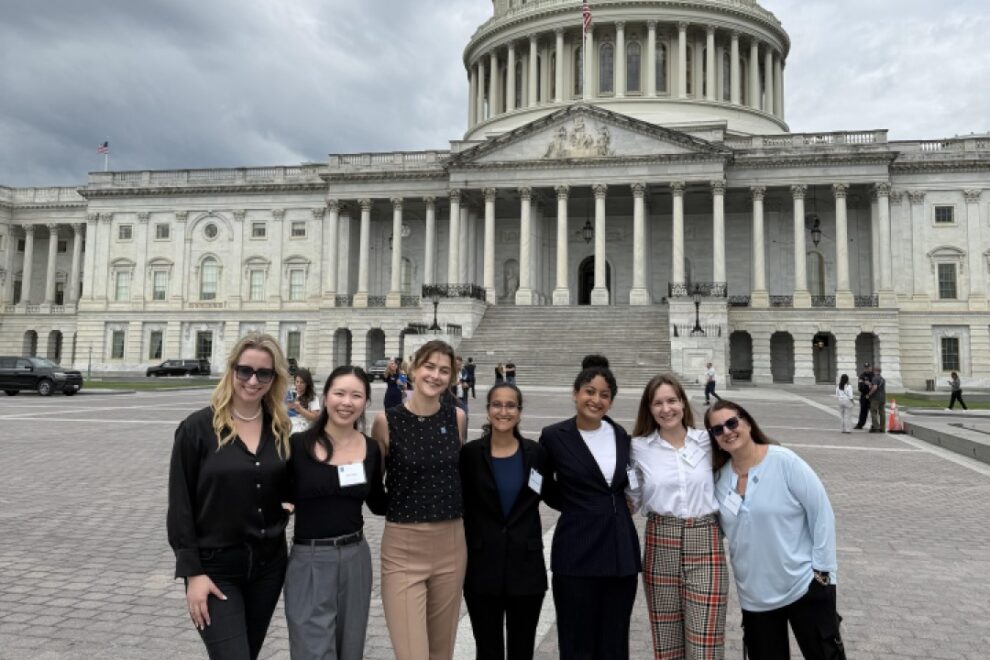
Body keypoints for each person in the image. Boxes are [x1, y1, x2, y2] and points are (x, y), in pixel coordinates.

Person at [167, 333, 293, 660]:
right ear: (232, 370)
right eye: (245, 370)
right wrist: (192, 573)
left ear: (274, 377)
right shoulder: (197, 428)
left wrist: (289, 504)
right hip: (215, 569)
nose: (253, 380)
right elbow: (181, 506)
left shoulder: (279, 428)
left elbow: (284, 481)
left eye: (263, 373)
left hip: (268, 567)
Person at [705, 401, 845, 660]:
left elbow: (822, 513)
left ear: (747, 422)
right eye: (717, 429)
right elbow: (718, 530)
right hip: (755, 596)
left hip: (803, 584)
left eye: (732, 423)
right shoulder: (720, 480)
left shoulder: (784, 461)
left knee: (825, 655)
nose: (726, 431)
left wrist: (823, 574)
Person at [539, 355, 641, 660]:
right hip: (576, 550)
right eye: (589, 391)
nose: (596, 400)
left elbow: (628, 483)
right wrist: (577, 506)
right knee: (576, 639)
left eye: (604, 395)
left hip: (619, 551)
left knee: (614, 639)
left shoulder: (621, 435)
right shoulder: (554, 436)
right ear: (575, 394)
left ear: (611, 401)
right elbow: (543, 486)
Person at [371, 340, 468, 660]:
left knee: (442, 653)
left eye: (444, 370)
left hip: (451, 544)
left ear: (452, 376)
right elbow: (375, 484)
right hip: (404, 547)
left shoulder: (456, 418)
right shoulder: (386, 421)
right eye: (429, 367)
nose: (435, 375)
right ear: (413, 368)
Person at [284, 366, 387, 660]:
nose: (346, 402)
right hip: (310, 560)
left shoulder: (371, 449)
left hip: (355, 558)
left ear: (365, 402)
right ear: (326, 396)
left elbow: (379, 503)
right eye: (339, 393)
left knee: (349, 649)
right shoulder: (296, 446)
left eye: (356, 395)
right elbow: (279, 496)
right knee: (311, 650)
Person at [627, 374, 727, 659]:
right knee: (667, 643)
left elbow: (745, 456)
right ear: (649, 409)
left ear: (683, 403)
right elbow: (630, 497)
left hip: (705, 539)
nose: (666, 408)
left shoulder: (707, 441)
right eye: (657, 403)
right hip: (661, 540)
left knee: (705, 644)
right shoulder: (638, 448)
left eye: (672, 400)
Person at [460, 383, 549, 660]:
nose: (503, 411)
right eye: (497, 404)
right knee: (487, 650)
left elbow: (557, 494)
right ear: (488, 411)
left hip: (527, 569)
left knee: (522, 650)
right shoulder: (470, 455)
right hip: (482, 566)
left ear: (519, 412)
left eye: (511, 405)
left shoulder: (537, 454)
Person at [287, 367, 321, 434]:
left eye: (302, 382)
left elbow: (315, 417)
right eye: (297, 381)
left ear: (307, 384)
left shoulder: (312, 397)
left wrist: (300, 409)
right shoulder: (291, 394)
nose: (299, 384)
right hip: (288, 425)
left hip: (301, 430)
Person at [853, 364, 872, 430]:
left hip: (872, 396)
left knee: (874, 411)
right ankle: (860, 424)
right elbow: (860, 387)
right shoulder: (862, 375)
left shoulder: (873, 375)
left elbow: (875, 385)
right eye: (865, 368)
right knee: (863, 411)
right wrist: (865, 385)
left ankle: (874, 425)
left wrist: (869, 384)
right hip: (864, 395)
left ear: (870, 368)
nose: (867, 369)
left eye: (868, 368)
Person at [868, 367, 886, 433]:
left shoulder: (875, 378)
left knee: (873, 412)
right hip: (883, 398)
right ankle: (883, 428)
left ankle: (876, 427)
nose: (873, 372)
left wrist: (869, 394)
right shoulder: (883, 379)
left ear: (876, 371)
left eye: (874, 371)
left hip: (875, 398)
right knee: (882, 413)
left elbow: (875, 387)